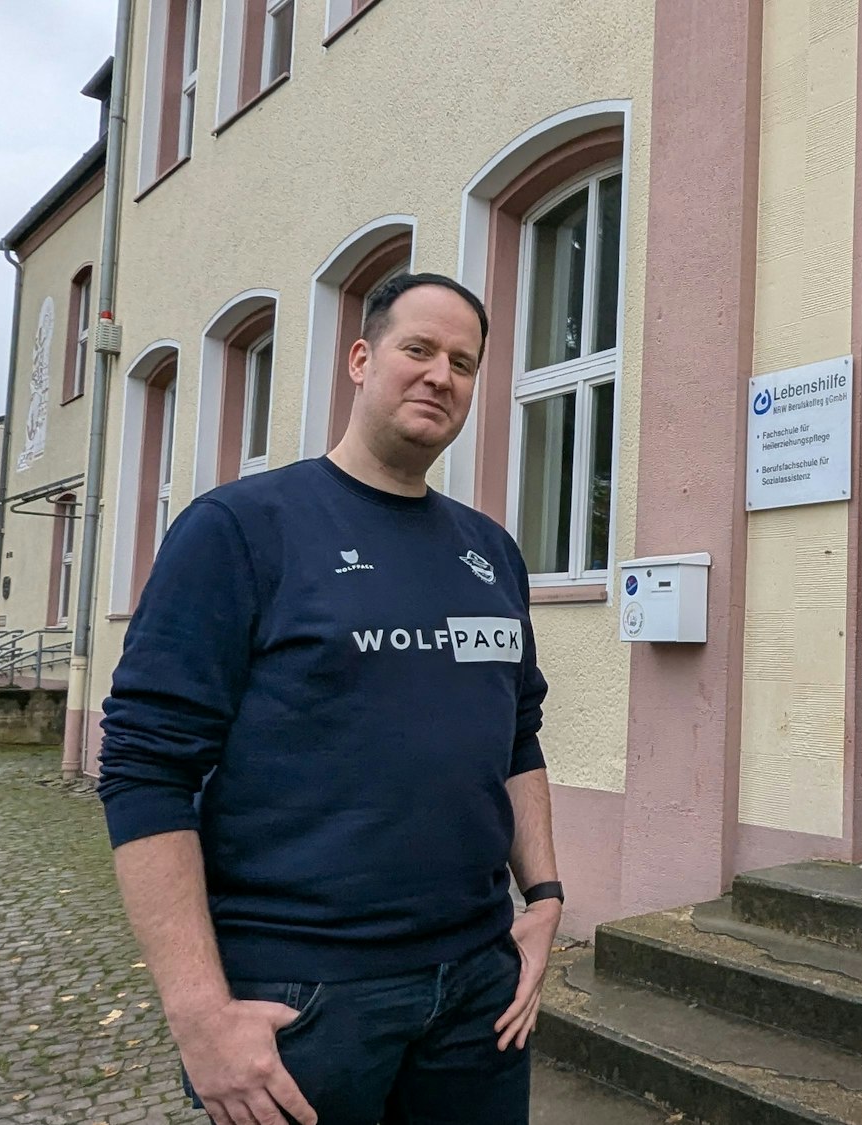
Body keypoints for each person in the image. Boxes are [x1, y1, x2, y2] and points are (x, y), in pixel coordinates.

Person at [97, 272, 561, 1125]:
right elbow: (143, 769)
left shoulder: (491, 552)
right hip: (305, 996)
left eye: (463, 362)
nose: (440, 375)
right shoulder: (241, 529)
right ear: (360, 358)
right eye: (417, 349)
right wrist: (200, 1014)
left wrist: (546, 898)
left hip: (478, 994)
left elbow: (518, 736)